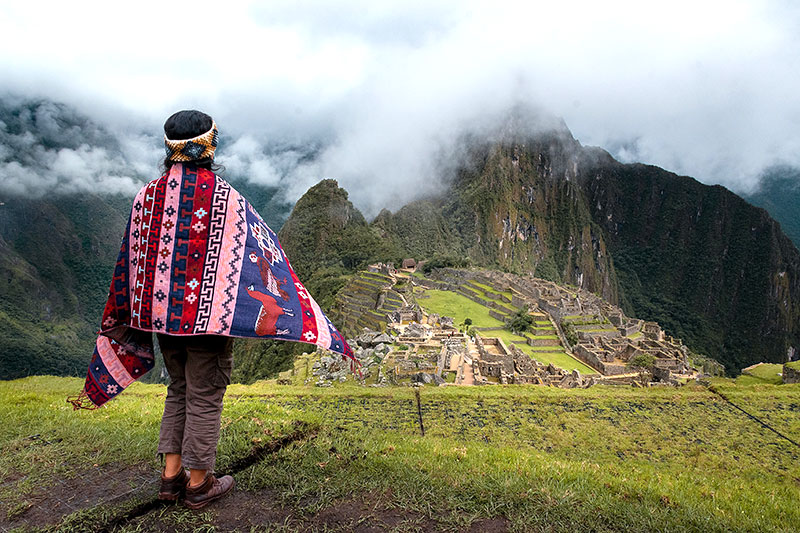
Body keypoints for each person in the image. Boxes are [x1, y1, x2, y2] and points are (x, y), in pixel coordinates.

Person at [69, 110, 357, 510]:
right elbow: (263, 260)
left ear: (169, 150)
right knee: (205, 396)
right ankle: (199, 485)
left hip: (161, 319)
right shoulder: (226, 200)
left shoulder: (146, 197)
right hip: (208, 324)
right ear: (210, 146)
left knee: (179, 389)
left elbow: (134, 262)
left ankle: (171, 478)